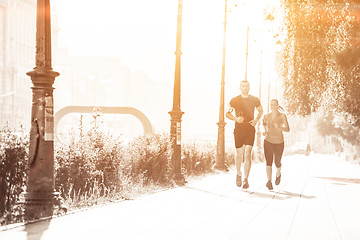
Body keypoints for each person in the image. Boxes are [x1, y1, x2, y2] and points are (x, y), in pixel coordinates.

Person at [226, 80, 263, 189]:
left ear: (249, 87)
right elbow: (227, 114)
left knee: (247, 153)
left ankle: (246, 179)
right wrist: (236, 119)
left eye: (246, 86)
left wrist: (256, 120)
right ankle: (238, 174)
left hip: (250, 128)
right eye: (243, 86)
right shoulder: (235, 100)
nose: (245, 87)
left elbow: (261, 111)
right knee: (239, 153)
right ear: (240, 87)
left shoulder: (254, 99)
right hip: (239, 129)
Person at [263, 99, 290, 190]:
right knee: (268, 161)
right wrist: (264, 132)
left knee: (277, 161)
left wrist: (279, 127)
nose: (273, 106)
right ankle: (269, 181)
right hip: (268, 141)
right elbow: (265, 127)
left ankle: (278, 174)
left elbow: (287, 129)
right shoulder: (266, 116)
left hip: (279, 142)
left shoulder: (282, 116)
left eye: (275, 104)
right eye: (271, 105)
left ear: (278, 105)